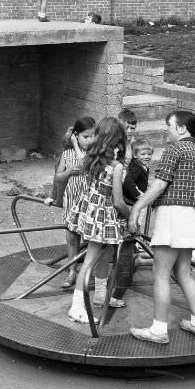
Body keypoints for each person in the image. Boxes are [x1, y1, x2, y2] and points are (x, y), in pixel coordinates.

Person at [128, 111, 195, 344]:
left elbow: (161, 183)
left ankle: (158, 330)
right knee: (184, 273)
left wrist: (137, 208)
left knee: (160, 273)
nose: (166, 130)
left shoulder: (175, 149)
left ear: (182, 129)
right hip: (192, 215)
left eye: (169, 126)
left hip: (173, 213)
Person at [66, 117, 131, 323]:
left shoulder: (91, 159)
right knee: (89, 262)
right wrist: (131, 216)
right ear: (117, 140)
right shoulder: (116, 167)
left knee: (105, 253)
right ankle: (77, 308)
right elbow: (119, 202)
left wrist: (76, 143)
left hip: (90, 210)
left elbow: (81, 159)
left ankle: (101, 295)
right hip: (103, 215)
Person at [48, 117, 96, 289]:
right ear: (76, 136)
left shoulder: (94, 154)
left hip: (89, 200)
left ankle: (90, 271)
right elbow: (57, 177)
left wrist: (76, 145)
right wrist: (68, 172)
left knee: (90, 236)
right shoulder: (67, 155)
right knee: (71, 235)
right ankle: (71, 270)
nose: (90, 140)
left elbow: (84, 166)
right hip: (72, 198)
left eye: (92, 136)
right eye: (85, 137)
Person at [123, 138, 153, 205]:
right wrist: (139, 196)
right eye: (143, 154)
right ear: (135, 155)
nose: (146, 157)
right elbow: (128, 183)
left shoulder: (143, 165)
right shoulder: (135, 168)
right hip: (130, 201)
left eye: (149, 154)